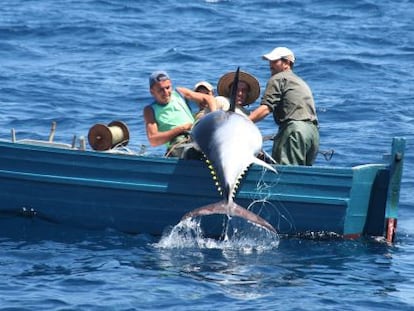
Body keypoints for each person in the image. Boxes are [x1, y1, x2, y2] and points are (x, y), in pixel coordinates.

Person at [249, 47, 319, 166]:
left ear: (287, 63)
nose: (270, 65)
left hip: (295, 130)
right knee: (301, 175)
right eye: (270, 61)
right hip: (312, 134)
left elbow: (266, 108)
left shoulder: (278, 78)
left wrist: (244, 122)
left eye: (274, 61)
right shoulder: (300, 81)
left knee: (286, 174)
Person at [143, 71, 216, 158]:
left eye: (168, 88)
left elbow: (209, 98)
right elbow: (153, 140)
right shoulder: (150, 110)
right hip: (178, 142)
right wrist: (181, 128)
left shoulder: (179, 93)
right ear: (152, 92)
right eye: (161, 90)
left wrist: (213, 117)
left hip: (196, 134)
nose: (166, 92)